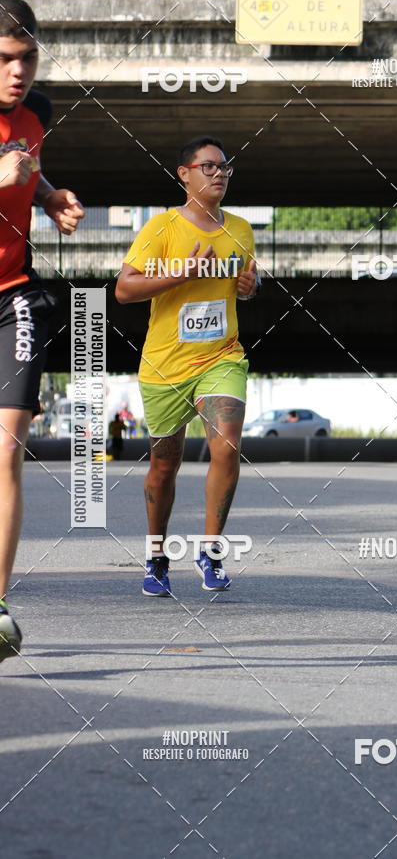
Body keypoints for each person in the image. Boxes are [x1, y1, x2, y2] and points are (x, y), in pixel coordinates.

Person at [115, 136, 259, 597]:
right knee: (164, 465)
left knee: (227, 447)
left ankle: (210, 551)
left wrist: (249, 287)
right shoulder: (162, 227)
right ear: (185, 174)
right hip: (165, 365)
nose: (219, 174)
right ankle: (157, 555)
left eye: (225, 167)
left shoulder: (241, 229)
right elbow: (124, 289)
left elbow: (246, 283)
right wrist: (183, 274)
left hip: (221, 356)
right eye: (208, 167)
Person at [0, 0, 85, 662]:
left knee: (6, 452)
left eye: (28, 58)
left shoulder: (38, 114)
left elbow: (26, 161)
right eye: (5, 59)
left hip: (13, 297)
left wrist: (48, 193)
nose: (18, 72)